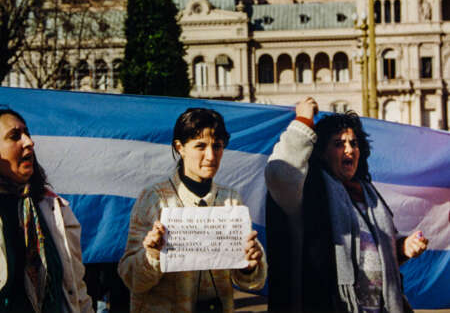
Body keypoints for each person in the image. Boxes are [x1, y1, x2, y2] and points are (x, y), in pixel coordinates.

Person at [265, 97, 428, 313]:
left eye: (353, 143)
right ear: (321, 152)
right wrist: (303, 120)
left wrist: (402, 247)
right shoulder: (308, 191)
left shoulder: (368, 193)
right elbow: (279, 174)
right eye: (339, 144)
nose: (349, 150)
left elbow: (374, 253)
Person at [118, 107, 267, 312]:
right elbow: (131, 279)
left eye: (217, 146)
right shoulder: (155, 199)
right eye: (200, 146)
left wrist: (250, 264)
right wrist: (151, 254)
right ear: (180, 147)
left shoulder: (231, 200)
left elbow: (248, 280)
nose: (210, 155)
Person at [0, 107, 93, 312]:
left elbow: (76, 288)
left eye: (27, 134)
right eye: (15, 136)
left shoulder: (53, 207)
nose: (29, 142)